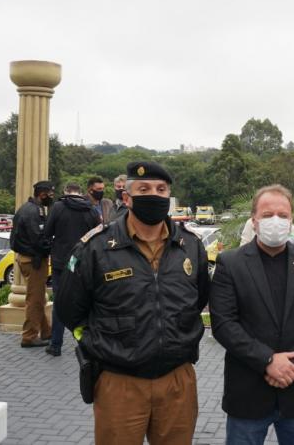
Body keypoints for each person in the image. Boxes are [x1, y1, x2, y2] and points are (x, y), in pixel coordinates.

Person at [55, 161, 209, 445]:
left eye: (161, 189)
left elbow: (198, 299)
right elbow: (69, 309)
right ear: (127, 198)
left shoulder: (190, 246)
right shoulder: (96, 247)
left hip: (177, 380)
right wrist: (93, 342)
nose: (154, 194)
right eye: (144, 189)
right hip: (119, 382)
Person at [210, 184, 294, 444]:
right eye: (267, 215)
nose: (275, 221)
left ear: (291, 220)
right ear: (254, 221)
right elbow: (224, 324)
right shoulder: (231, 263)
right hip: (247, 393)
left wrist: (290, 366)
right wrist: (268, 360)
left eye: (283, 215)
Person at [41, 182, 101, 356]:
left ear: (66, 191)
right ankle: (87, 343)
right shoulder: (90, 209)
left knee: (59, 302)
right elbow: (97, 234)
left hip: (61, 262)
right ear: (80, 193)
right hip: (83, 262)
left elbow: (47, 232)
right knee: (86, 302)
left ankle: (55, 345)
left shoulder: (58, 207)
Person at [10, 180, 54, 347]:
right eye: (50, 194)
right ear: (42, 194)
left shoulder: (26, 209)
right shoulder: (33, 212)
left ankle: (46, 331)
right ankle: (29, 336)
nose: (51, 198)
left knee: (38, 297)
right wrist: (51, 247)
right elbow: (38, 239)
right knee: (34, 300)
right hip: (34, 260)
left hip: (27, 258)